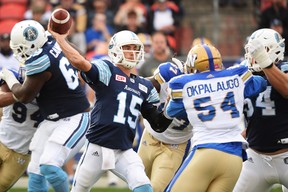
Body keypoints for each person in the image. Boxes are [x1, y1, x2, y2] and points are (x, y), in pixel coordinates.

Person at [48, 28, 172, 192]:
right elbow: (79, 62)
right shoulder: (108, 70)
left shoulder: (145, 86)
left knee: (144, 187)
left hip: (124, 151)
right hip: (97, 148)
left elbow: (158, 124)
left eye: (135, 48)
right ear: (116, 49)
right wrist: (61, 40)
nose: (132, 52)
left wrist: (172, 105)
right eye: (127, 47)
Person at [0, 20, 90, 192]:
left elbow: (24, 96)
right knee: (35, 170)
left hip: (74, 117)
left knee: (49, 167)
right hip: (52, 119)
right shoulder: (50, 41)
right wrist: (60, 39)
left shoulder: (39, 61)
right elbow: (80, 56)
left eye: (20, 48)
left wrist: (10, 80)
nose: (19, 53)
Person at [164, 43, 267, 192]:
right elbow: (261, 84)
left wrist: (169, 100)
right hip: (235, 157)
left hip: (206, 151)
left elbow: (171, 112)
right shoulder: (237, 75)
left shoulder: (184, 84)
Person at [233, 28, 288, 192]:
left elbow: (286, 89)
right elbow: (256, 118)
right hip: (255, 158)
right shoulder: (244, 74)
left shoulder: (284, 68)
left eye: (259, 51)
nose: (253, 56)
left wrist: (265, 63)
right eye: (252, 51)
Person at [137, 58, 193, 192]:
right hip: (150, 136)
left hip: (174, 145)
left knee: (156, 188)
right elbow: (146, 84)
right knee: (137, 182)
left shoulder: (198, 92)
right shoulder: (167, 75)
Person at [0, 68, 43, 191]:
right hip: (2, 140)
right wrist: (20, 94)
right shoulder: (14, 76)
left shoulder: (52, 90)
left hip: (22, 153)